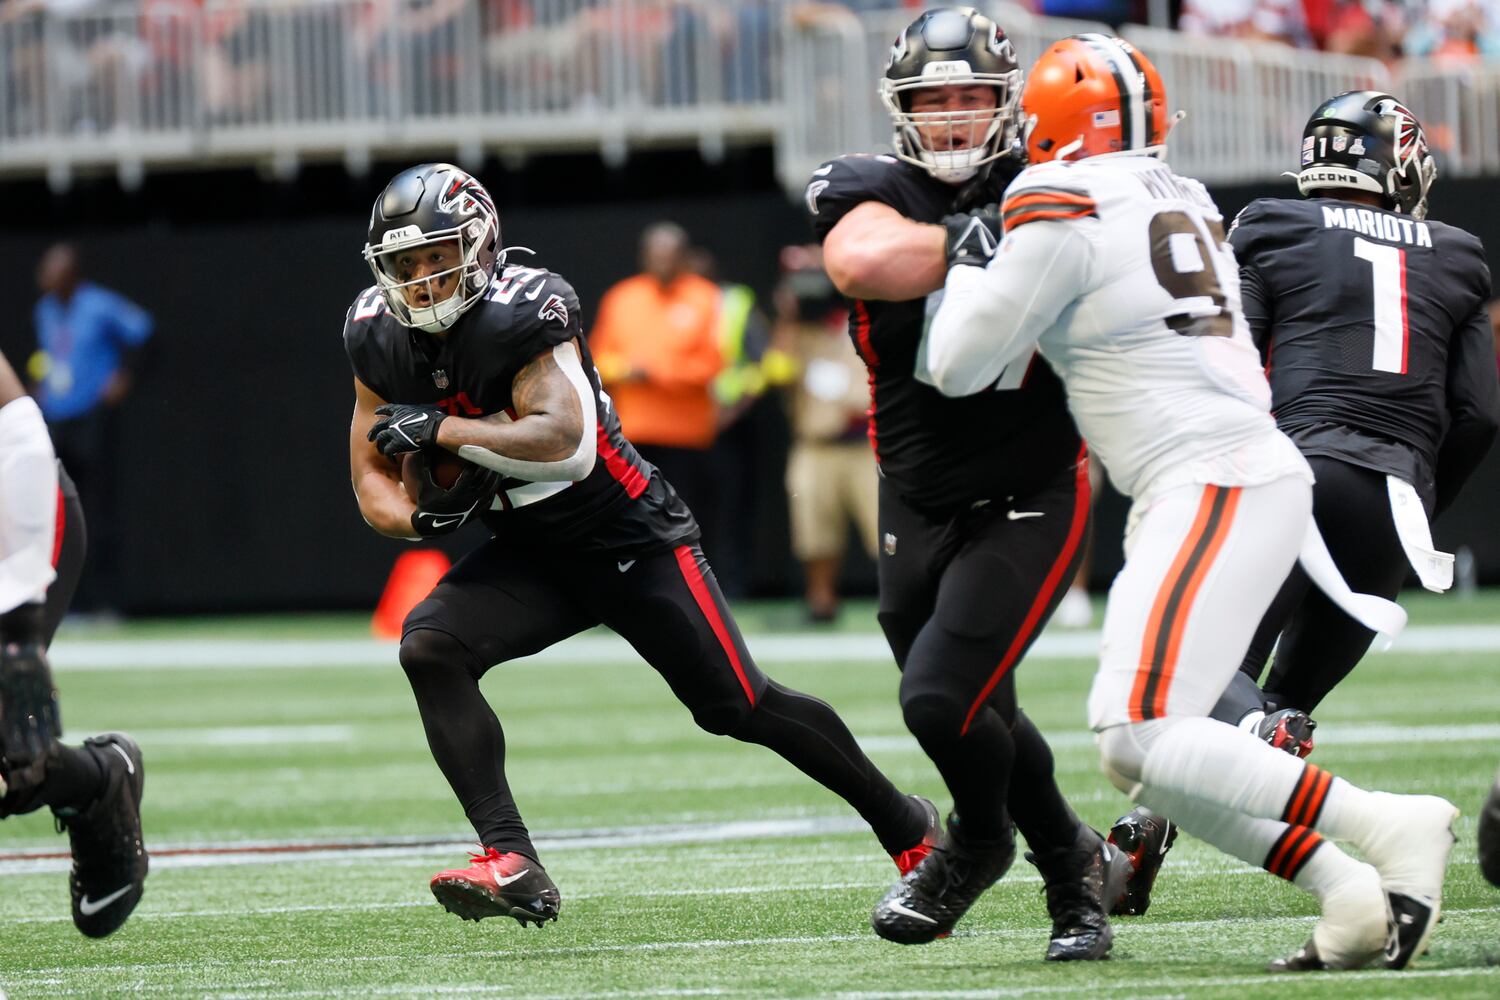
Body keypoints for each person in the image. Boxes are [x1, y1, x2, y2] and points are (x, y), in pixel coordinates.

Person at [922, 33, 1458, 971]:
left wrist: (968, 260)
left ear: (1050, 127)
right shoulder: (1184, 195)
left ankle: (1389, 825)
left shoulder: (1060, 195)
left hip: (1212, 478)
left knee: (1142, 729)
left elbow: (959, 365)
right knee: (1139, 745)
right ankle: (1347, 892)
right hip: (1232, 475)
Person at [344, 163, 941, 928]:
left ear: (481, 243)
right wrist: (418, 521)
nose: (423, 281)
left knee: (738, 705)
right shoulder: (374, 331)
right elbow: (367, 468)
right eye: (405, 265)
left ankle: (908, 825)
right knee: (429, 646)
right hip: (532, 550)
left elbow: (566, 446)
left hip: (624, 533)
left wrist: (447, 431)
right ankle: (512, 859)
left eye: (436, 257)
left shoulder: (524, 308)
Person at [1113, 91, 1500, 914]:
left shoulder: (1274, 224)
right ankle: (1150, 823)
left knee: (1195, 686)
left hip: (1287, 474)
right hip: (1393, 502)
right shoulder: (1460, 252)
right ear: (1395, 162)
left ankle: (1228, 764)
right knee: (1273, 704)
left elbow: (1230, 363)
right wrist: (1420, 506)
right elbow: (1480, 414)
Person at [810, 7, 1124, 961]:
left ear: (1007, 102)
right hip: (913, 489)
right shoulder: (874, 184)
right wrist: (1005, 234)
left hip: (1031, 486)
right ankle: (1076, 873)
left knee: (941, 700)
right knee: (976, 701)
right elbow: (863, 259)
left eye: (971, 98)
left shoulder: (1060, 172)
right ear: (900, 110)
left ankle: (978, 844)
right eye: (932, 100)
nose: (951, 119)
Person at [0, 348, 148, 938]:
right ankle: (89, 780)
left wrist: (19, 630)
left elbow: (17, 432)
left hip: (15, 523)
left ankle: (94, 781)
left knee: (7, 752)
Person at [589, 222, 724, 565]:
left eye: (670, 254)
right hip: (631, 433)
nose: (662, 261)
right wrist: (622, 370)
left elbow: (711, 365)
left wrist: (655, 373)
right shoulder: (622, 298)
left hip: (686, 435)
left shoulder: (705, 297)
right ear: (644, 256)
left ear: (684, 256)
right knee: (629, 516)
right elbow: (597, 360)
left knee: (687, 518)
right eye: (656, 254)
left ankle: (695, 586)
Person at [31, 242, 154, 616]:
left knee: (98, 508)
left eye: (55, 270)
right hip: (58, 417)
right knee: (60, 511)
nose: (47, 278)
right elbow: (51, 358)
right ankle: (69, 603)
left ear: (71, 273)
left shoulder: (98, 304)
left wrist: (124, 378)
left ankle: (105, 602)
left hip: (92, 417)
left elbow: (145, 333)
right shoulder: (44, 311)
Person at [773, 246, 879, 623]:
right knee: (814, 529)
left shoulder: (865, 319)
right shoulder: (799, 330)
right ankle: (821, 601)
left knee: (885, 529)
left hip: (866, 443)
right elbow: (778, 370)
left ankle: (906, 595)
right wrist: (788, 309)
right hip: (816, 443)